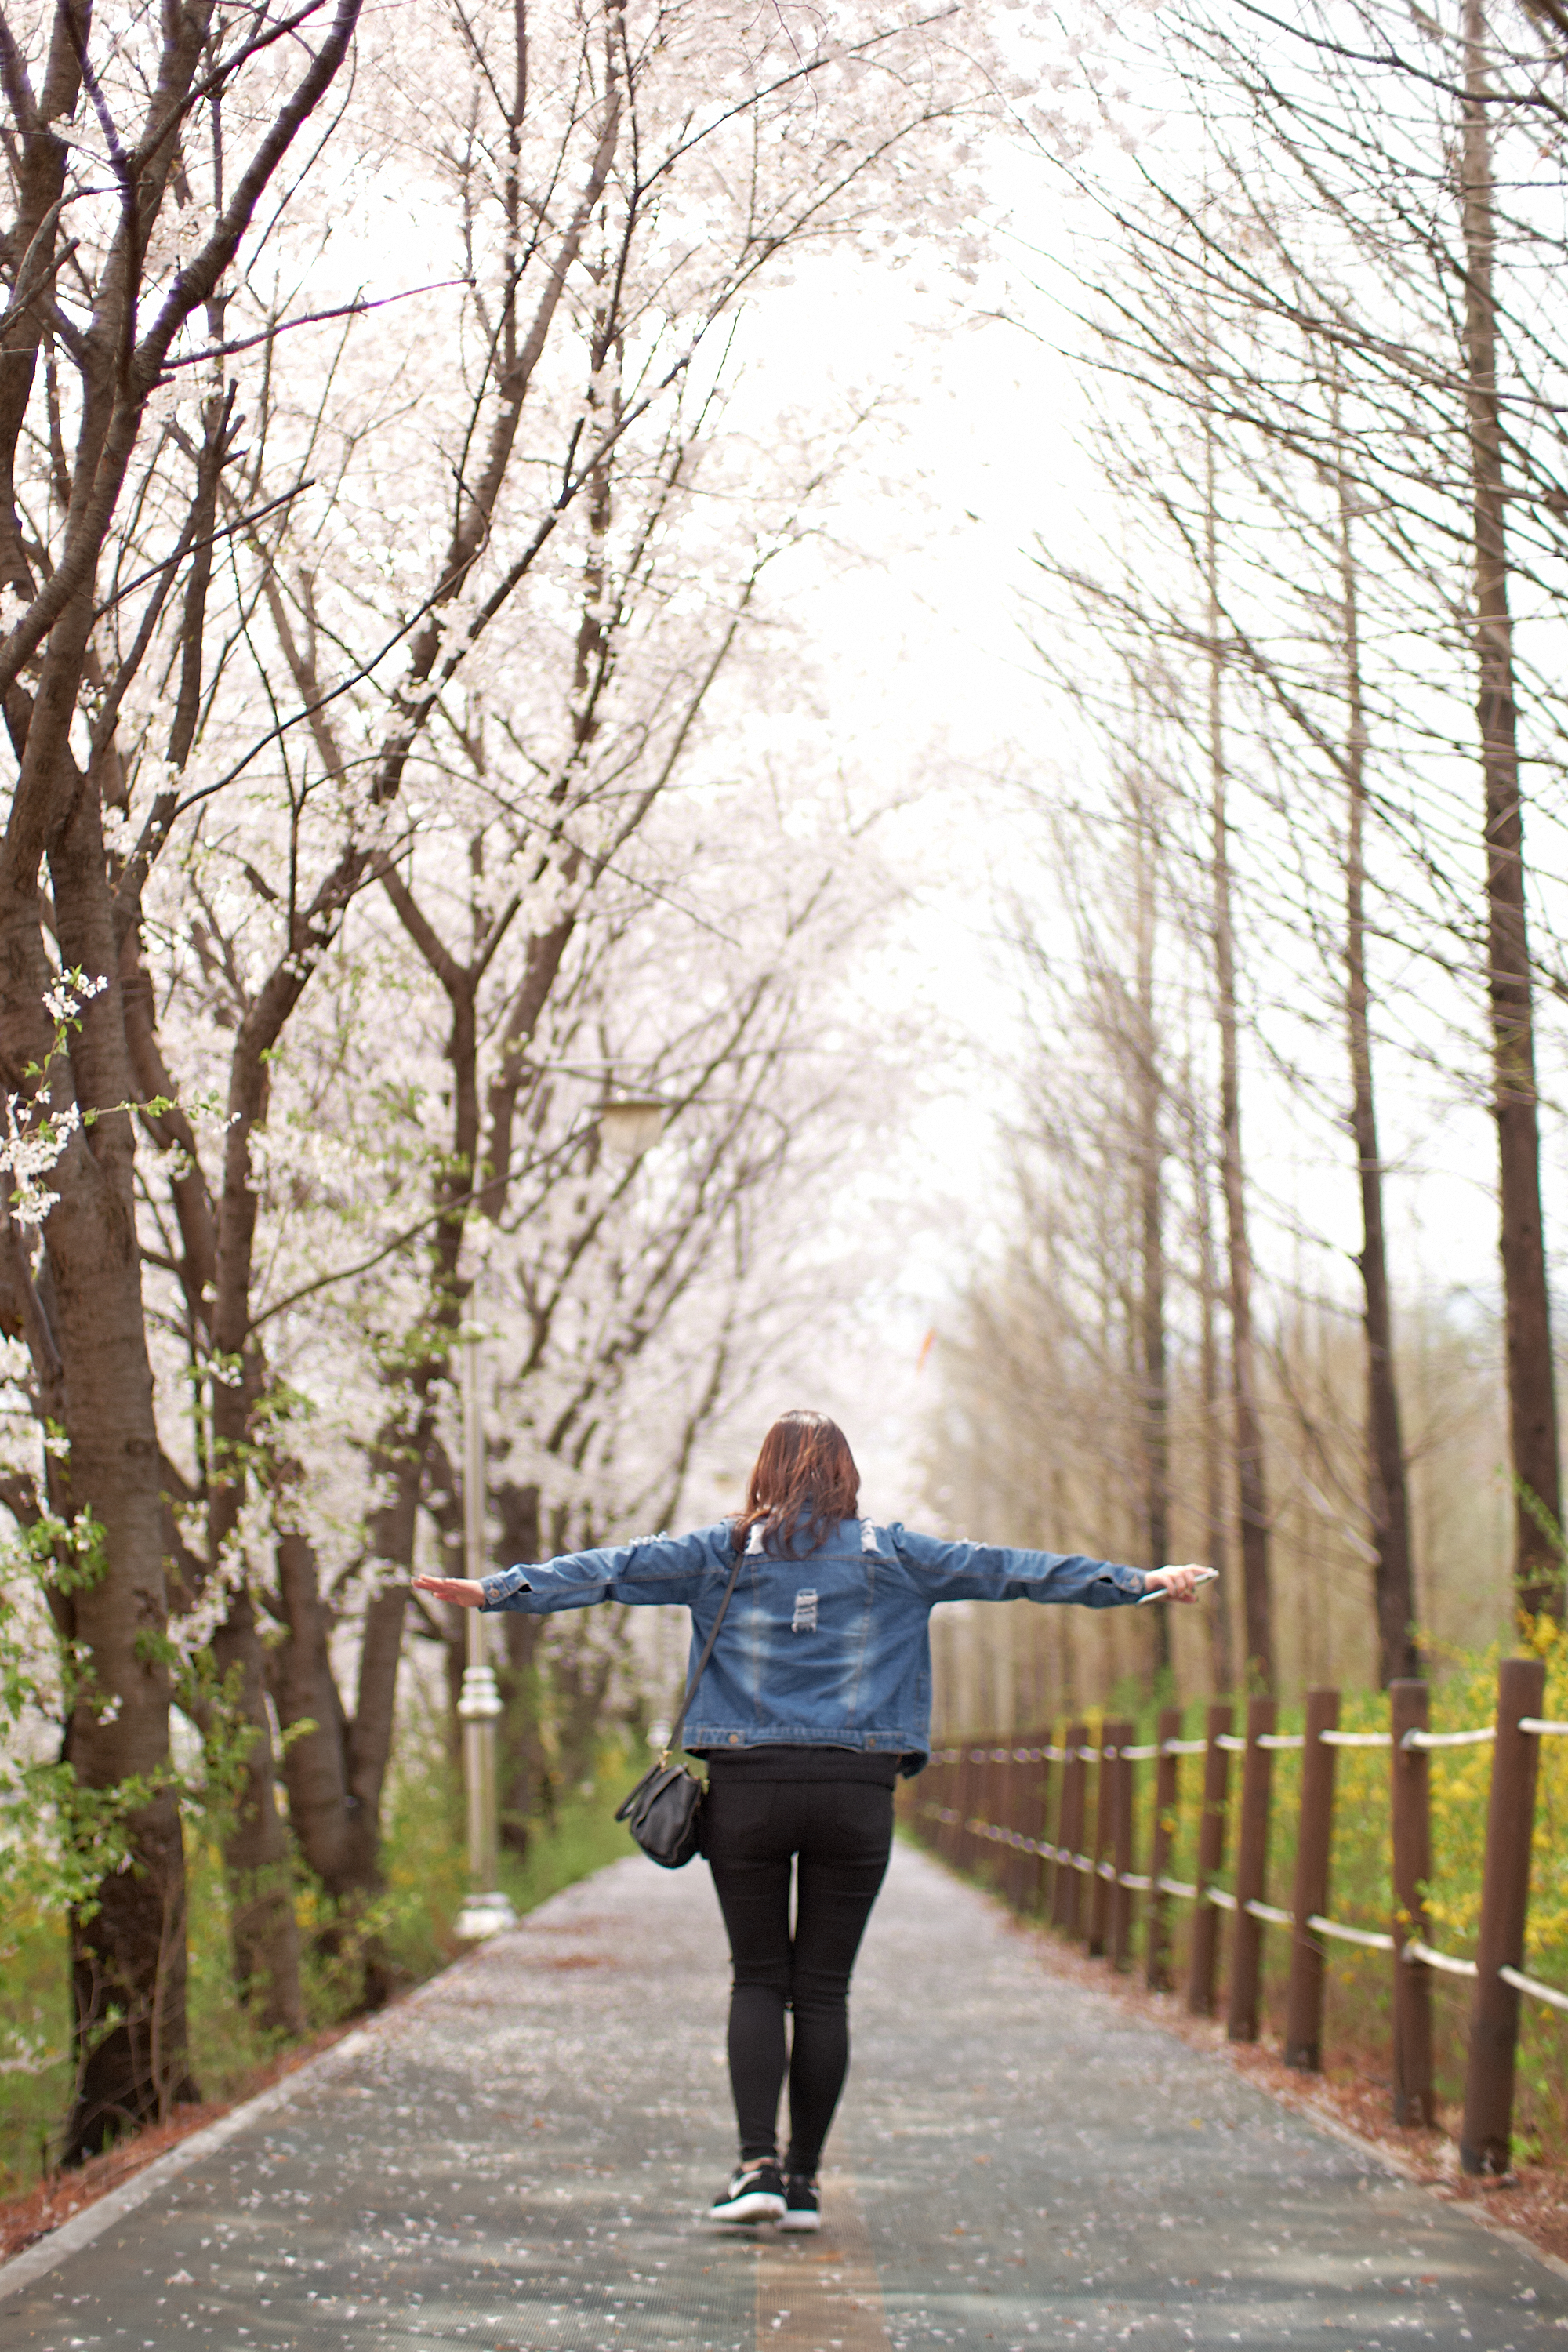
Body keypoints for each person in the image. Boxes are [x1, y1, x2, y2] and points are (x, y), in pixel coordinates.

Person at [412, 1408, 1207, 2234]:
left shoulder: (717, 1553)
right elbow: (1011, 1571)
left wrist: (495, 1593)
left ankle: (754, 2166)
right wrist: (1138, 1581)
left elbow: (611, 1571)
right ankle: (803, 2184)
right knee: (822, 1991)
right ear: (847, 1475)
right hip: (855, 1795)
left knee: (757, 1977)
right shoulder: (896, 1555)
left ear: (763, 1471)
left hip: (747, 1793)